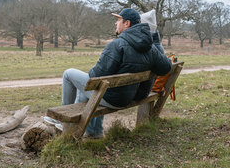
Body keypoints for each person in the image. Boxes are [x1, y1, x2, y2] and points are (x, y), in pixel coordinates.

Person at [44, 8, 172, 138]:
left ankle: (62, 120)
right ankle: (94, 132)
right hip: (128, 96)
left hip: (113, 98)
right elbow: (166, 67)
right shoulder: (150, 48)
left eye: (118, 20)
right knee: (84, 90)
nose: (115, 23)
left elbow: (96, 75)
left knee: (69, 73)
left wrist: (93, 69)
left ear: (126, 23)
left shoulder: (117, 45)